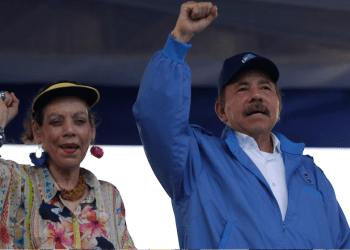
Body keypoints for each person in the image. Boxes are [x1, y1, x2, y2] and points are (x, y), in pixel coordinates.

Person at [133, 1, 350, 249]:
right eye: (242, 89)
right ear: (221, 111)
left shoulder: (310, 173)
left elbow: (343, 242)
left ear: (278, 106)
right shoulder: (196, 160)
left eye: (265, 88)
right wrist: (179, 40)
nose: (256, 95)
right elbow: (155, 117)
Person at [0, 82, 135, 249]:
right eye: (56, 122)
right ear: (37, 131)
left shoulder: (109, 195)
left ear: (91, 129)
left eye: (79, 121)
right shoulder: (15, 182)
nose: (70, 130)